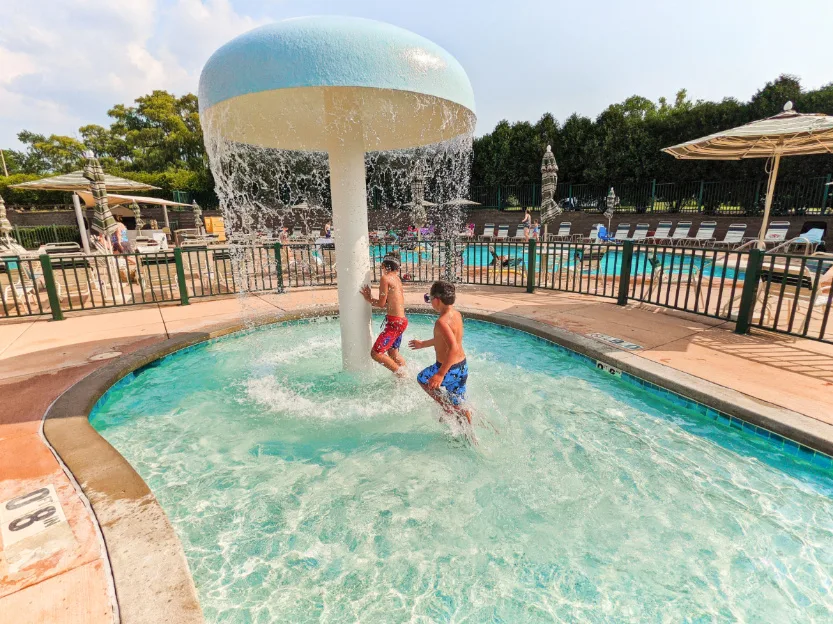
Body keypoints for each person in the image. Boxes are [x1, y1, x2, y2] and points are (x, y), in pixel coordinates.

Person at [409, 280, 470, 424]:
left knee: (422, 379)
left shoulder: (441, 322)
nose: (429, 302)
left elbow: (453, 348)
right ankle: (469, 432)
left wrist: (440, 374)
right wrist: (423, 344)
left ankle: (446, 407)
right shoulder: (457, 314)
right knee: (459, 402)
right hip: (462, 367)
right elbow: (443, 340)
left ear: (436, 300)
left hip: (448, 369)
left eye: (429, 299)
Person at [360, 252, 408, 375]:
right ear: (397, 267)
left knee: (376, 353)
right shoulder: (397, 279)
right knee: (393, 353)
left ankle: (401, 374)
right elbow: (391, 302)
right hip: (401, 321)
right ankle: (406, 372)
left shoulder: (385, 278)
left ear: (383, 266)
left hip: (395, 322)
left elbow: (381, 304)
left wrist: (368, 298)